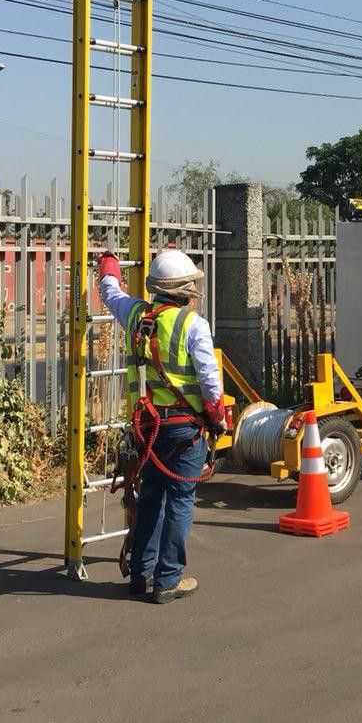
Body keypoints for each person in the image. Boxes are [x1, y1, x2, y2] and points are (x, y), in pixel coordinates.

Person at [98, 248, 229, 603]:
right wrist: (218, 421)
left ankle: (140, 574)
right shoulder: (193, 325)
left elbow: (110, 292)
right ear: (186, 290)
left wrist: (109, 264)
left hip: (145, 428)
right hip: (185, 430)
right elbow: (210, 384)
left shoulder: (134, 314)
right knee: (180, 500)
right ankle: (168, 579)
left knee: (151, 495)